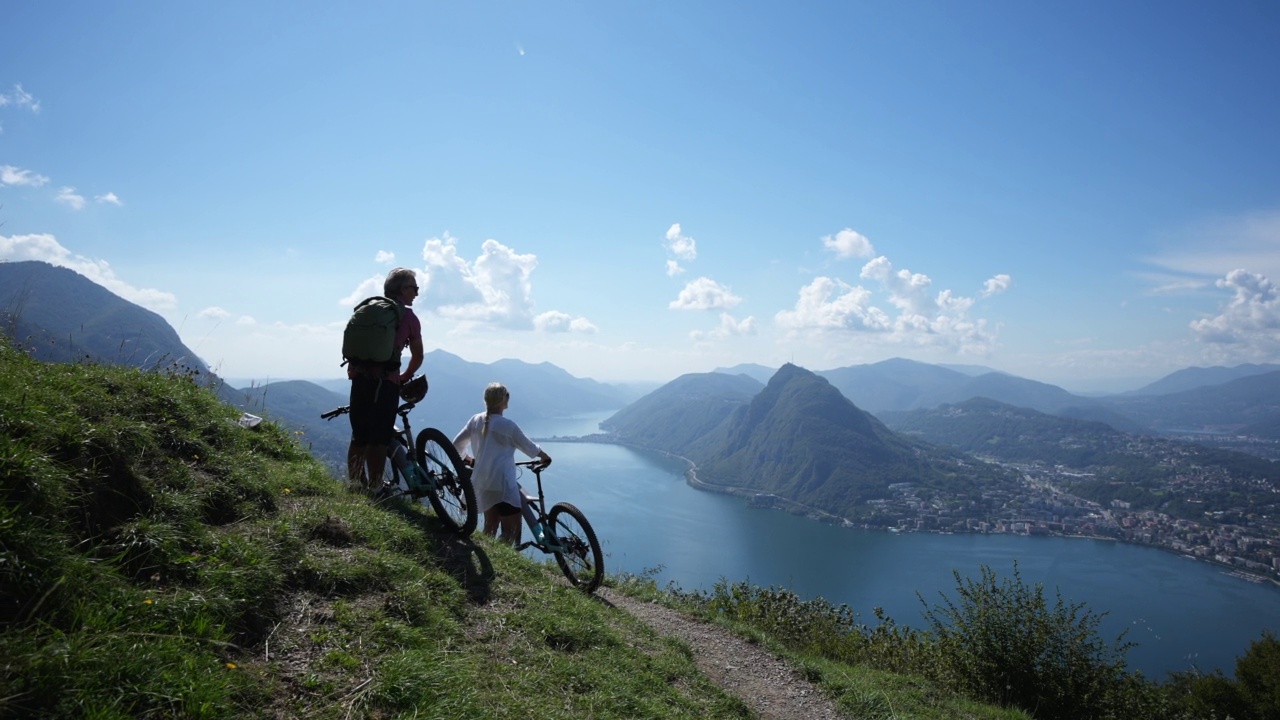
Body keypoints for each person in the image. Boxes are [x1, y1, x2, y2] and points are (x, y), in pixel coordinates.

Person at [347, 267, 424, 495]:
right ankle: (375, 487)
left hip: (359, 378)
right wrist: (404, 377)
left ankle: (354, 485)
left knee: (359, 436)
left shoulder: (368, 309)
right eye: (414, 288)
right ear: (403, 289)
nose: (417, 294)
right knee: (379, 439)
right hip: (386, 381)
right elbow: (418, 356)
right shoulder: (408, 317)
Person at [452, 382, 552, 545]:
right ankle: (502, 560)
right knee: (511, 531)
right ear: (504, 401)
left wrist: (469, 459)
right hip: (503, 483)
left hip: (482, 481)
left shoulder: (475, 420)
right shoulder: (507, 426)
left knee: (490, 527)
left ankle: (487, 557)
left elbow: (456, 445)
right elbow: (529, 446)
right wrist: (545, 457)